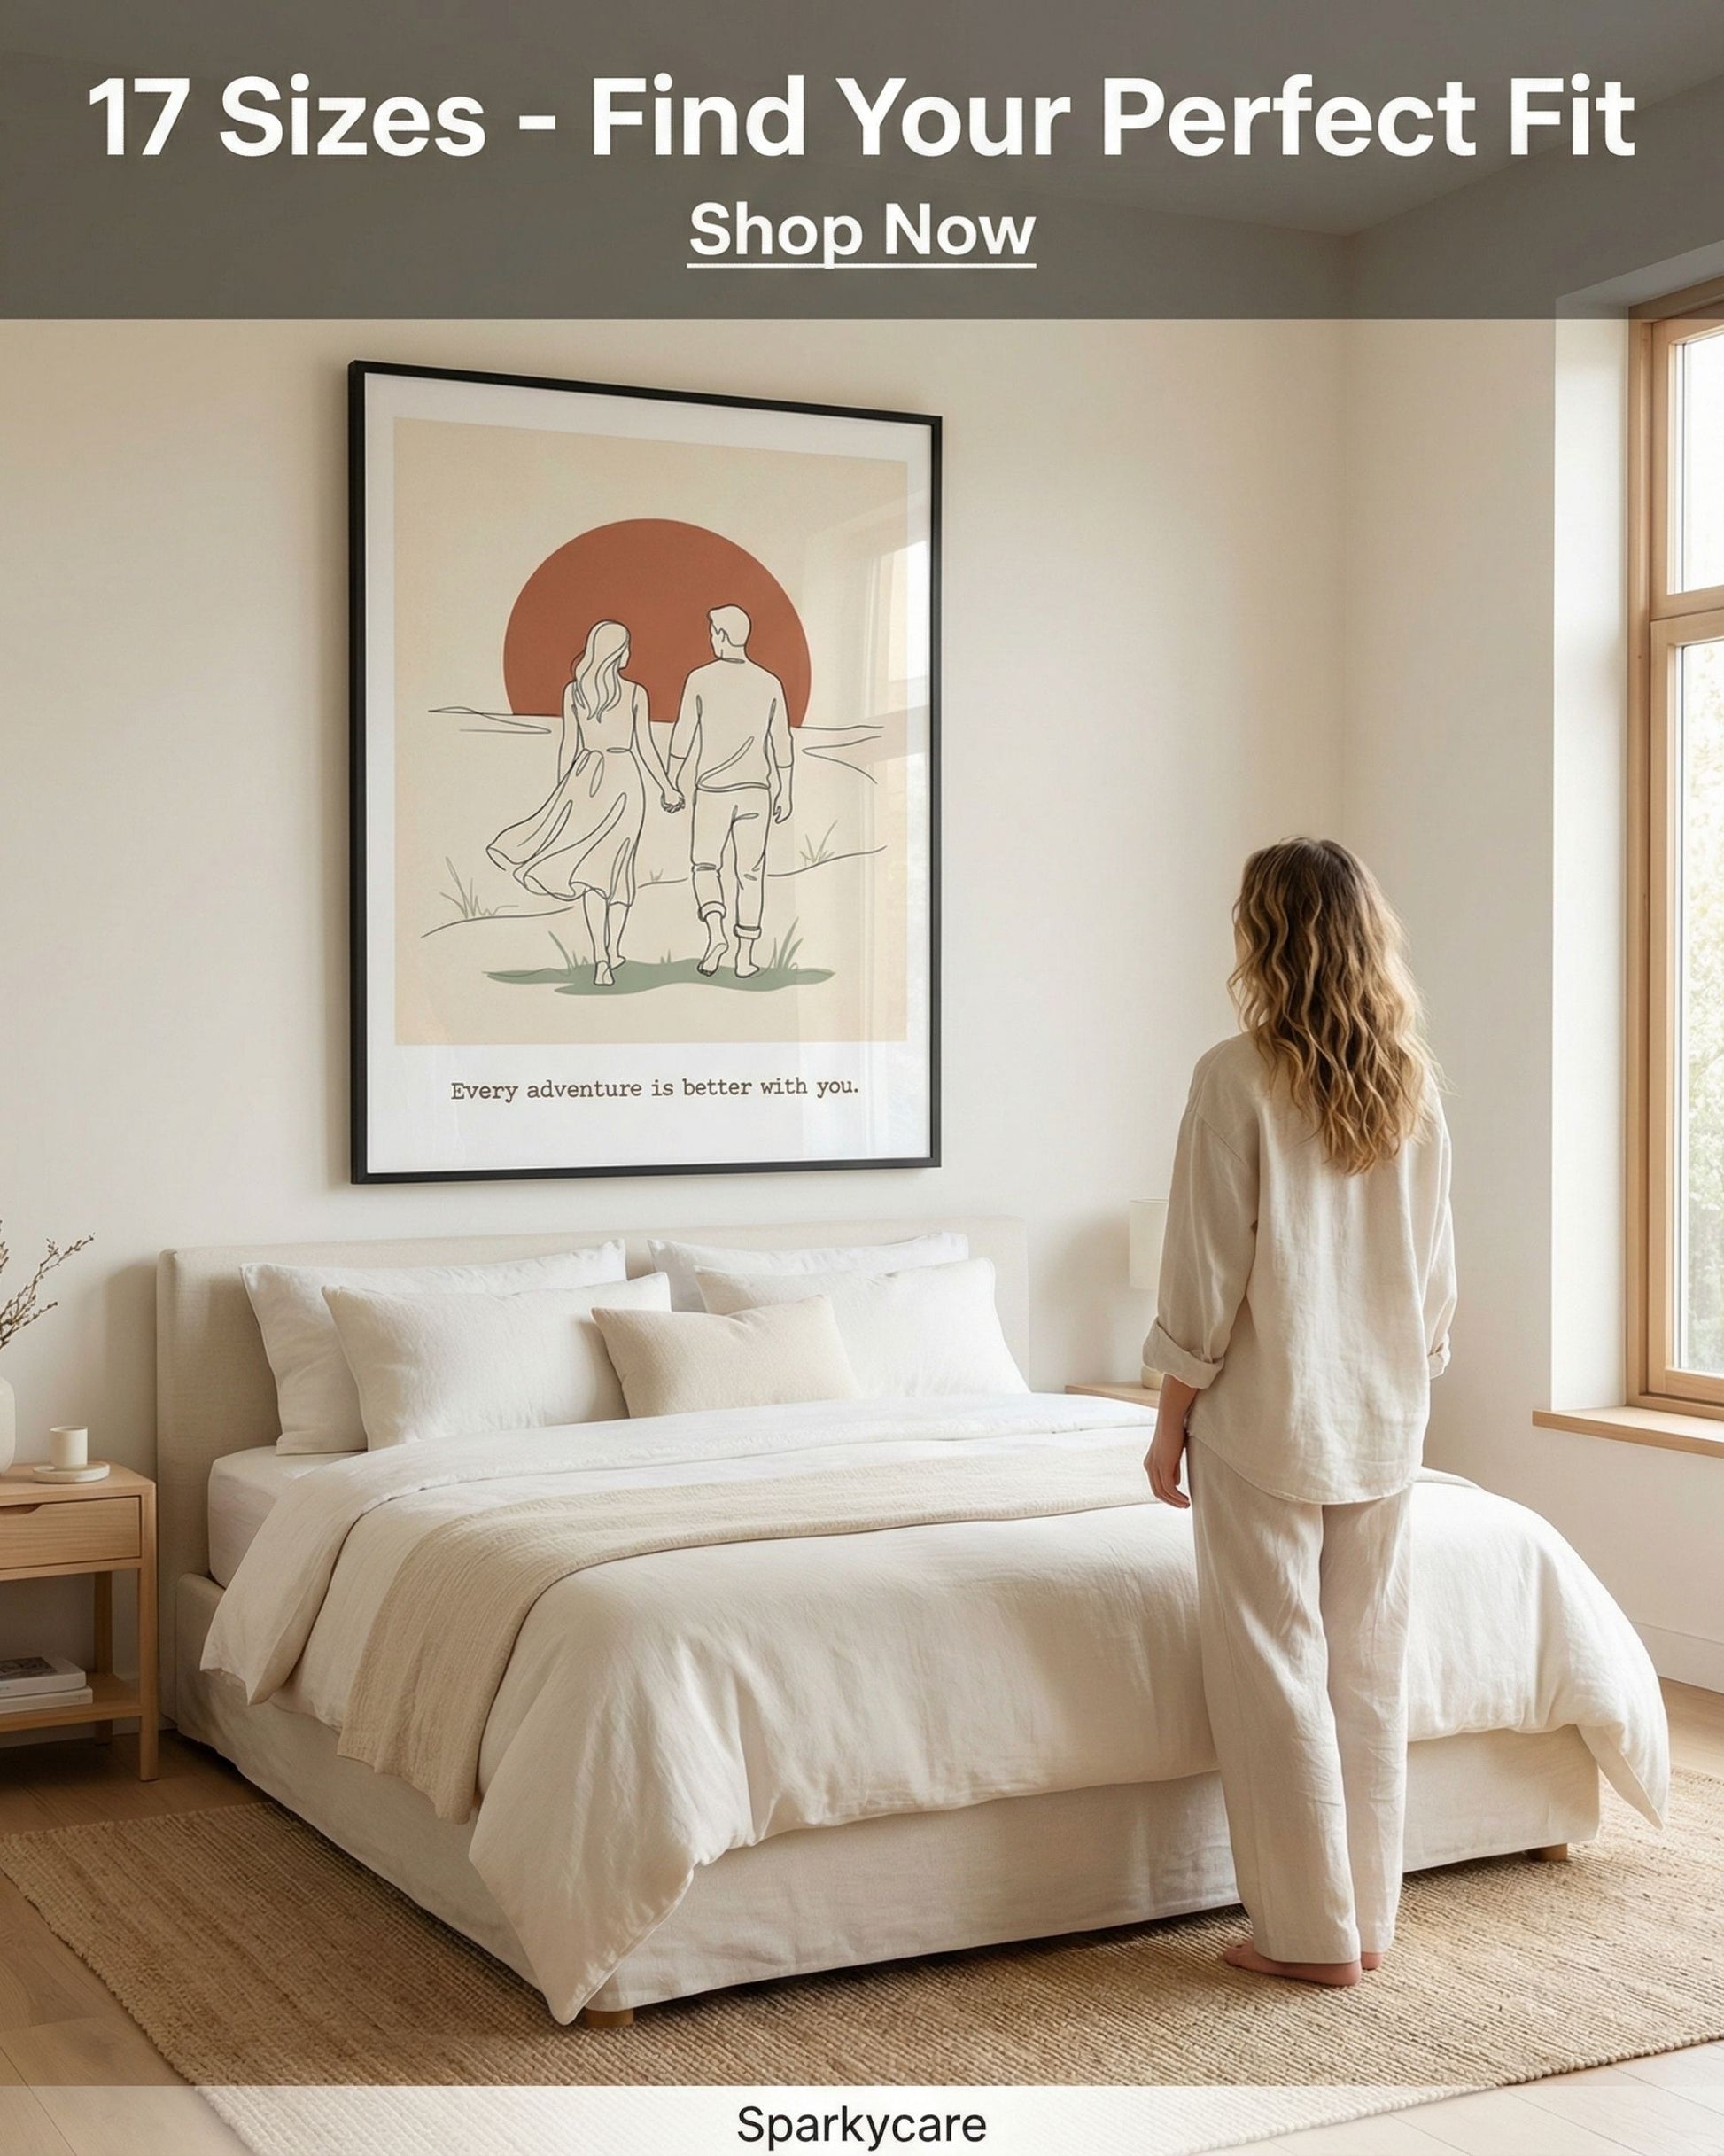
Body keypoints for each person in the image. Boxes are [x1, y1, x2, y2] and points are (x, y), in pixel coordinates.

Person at [1143, 837, 1456, 1989]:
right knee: (1364, 1669)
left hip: (1266, 1421)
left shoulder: (1233, 1078)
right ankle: (1363, 1924)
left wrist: (1168, 1413)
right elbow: (1433, 1283)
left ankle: (1304, 1935)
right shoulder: (1409, 1077)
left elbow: (1203, 1275)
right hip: (1385, 1418)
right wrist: (1407, 1379)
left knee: (1273, 1670)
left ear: (1263, 936)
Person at [487, 620, 681, 987]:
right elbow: (645, 748)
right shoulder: (635, 693)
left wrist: (565, 789)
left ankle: (601, 957)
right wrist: (667, 787)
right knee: (619, 870)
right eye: (627, 647)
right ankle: (615, 948)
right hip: (625, 782)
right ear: (620, 652)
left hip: (585, 778)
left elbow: (568, 747)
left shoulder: (573, 692)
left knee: (593, 876)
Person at [667, 604, 793, 979]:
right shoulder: (770, 682)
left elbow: (683, 734)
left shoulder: (700, 679)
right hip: (757, 790)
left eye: (713, 632)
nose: (711, 638)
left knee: (705, 866)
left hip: (713, 790)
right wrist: (785, 789)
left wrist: (673, 778)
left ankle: (716, 933)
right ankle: (745, 957)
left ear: (721, 635)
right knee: (751, 874)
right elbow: (781, 741)